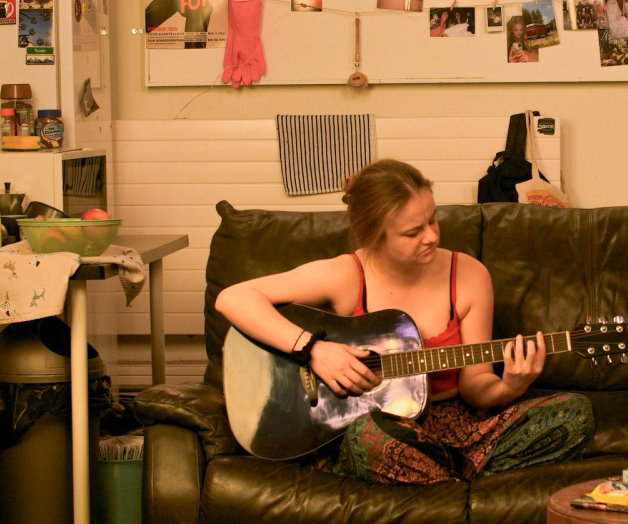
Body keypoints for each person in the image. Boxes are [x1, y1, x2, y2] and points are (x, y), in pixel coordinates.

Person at [215, 160, 592, 483]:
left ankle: (440, 476)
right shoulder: (347, 275)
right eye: (413, 232)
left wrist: (511, 385)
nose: (431, 236)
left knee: (574, 415)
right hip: (382, 429)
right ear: (375, 236)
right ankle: (460, 478)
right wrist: (315, 350)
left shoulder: (469, 275)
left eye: (433, 219)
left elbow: (476, 385)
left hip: (457, 427)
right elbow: (233, 298)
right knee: (369, 438)